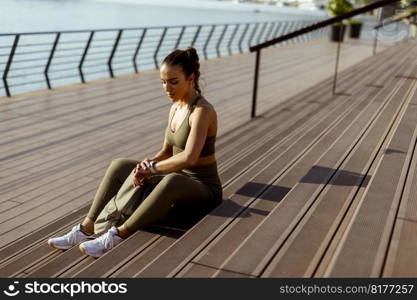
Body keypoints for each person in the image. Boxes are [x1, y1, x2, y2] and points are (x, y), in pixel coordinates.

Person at [47, 47, 222, 258]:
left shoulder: (202, 111)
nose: (167, 88)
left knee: (171, 180)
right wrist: (145, 165)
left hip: (204, 189)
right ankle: (86, 229)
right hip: (176, 177)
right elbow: (167, 151)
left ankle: (117, 235)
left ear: (191, 78)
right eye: (163, 82)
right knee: (119, 165)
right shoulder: (175, 107)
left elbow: (189, 157)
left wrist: (151, 170)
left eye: (173, 82)